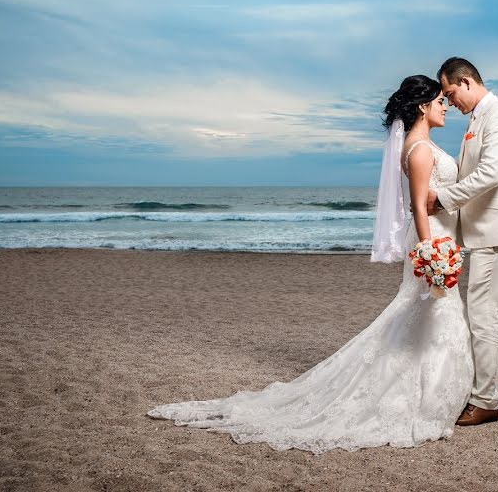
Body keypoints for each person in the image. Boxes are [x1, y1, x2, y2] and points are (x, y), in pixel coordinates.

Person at [147, 75, 474, 454]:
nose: (445, 106)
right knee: (432, 314)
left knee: (431, 318)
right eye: (439, 101)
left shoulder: (424, 145)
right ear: (422, 106)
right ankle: (422, 399)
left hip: (440, 240)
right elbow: (418, 206)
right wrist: (431, 251)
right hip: (433, 241)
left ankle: (433, 394)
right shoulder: (419, 150)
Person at [428, 57, 498, 426]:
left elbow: (489, 174)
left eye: (449, 92)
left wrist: (442, 199)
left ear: (466, 81)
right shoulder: (479, 118)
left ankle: (485, 400)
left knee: (482, 313)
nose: (449, 102)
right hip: (491, 230)